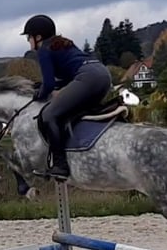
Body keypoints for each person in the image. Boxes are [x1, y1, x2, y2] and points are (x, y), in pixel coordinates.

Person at [22, 14, 112, 179]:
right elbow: (67, 79)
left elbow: (48, 85)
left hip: (88, 78)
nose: (29, 41)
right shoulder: (62, 44)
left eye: (29, 37)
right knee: (72, 112)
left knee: (49, 115)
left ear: (38, 37)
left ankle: (60, 165)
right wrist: (47, 86)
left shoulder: (43, 50)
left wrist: (39, 94)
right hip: (103, 75)